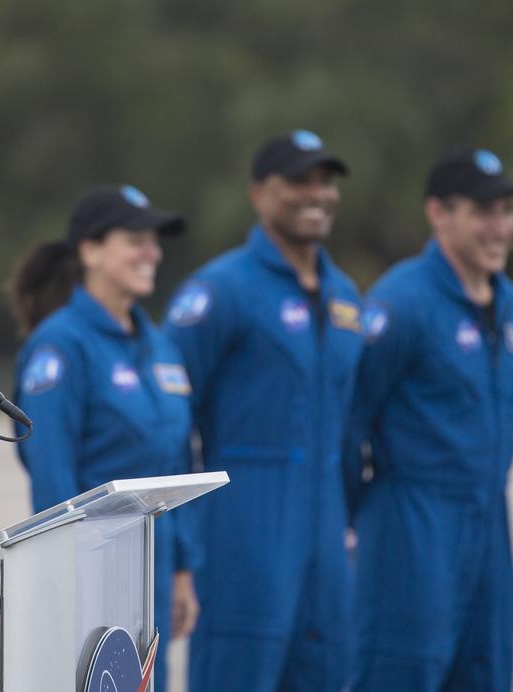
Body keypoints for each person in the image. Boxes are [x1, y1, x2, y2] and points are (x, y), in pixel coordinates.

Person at [164, 130, 364, 691]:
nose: (316, 194)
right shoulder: (220, 292)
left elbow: (355, 422)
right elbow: (168, 418)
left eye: (325, 182)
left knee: (326, 672)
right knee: (238, 672)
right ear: (259, 193)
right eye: (298, 181)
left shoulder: (346, 296)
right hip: (243, 523)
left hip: (328, 529)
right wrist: (182, 537)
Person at [344, 149, 513, 691]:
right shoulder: (401, 303)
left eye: (507, 212)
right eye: (483, 213)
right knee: (399, 671)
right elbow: (348, 419)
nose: (500, 228)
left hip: (488, 518)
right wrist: (359, 516)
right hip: (411, 519)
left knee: (486, 671)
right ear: (439, 213)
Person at [9, 184, 200, 690]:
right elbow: (52, 474)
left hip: (153, 569)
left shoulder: (158, 345)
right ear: (90, 251)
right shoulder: (61, 346)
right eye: (135, 239)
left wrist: (182, 570)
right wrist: (68, 576)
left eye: (155, 240)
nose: (152, 252)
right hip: (92, 571)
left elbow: (175, 467)